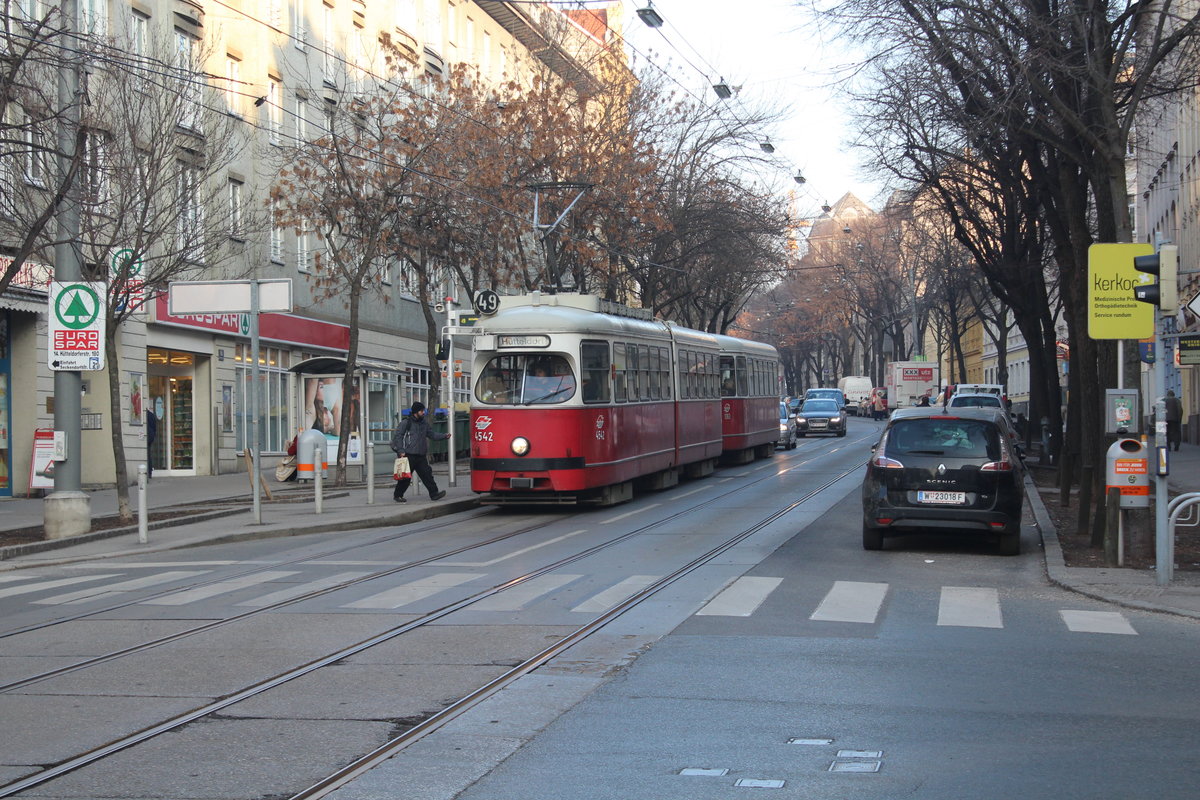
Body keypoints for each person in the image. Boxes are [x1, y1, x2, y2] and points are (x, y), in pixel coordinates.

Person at [390, 401, 450, 503]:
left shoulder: (424, 423)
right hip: (408, 455)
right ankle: (398, 495)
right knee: (405, 478)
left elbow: (432, 434)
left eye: (423, 410)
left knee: (427, 475)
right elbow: (398, 437)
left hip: (421, 455)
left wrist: (444, 436)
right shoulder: (406, 423)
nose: (423, 412)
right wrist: (400, 451)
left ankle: (434, 494)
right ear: (415, 412)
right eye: (421, 411)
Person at [146, 408, 157, 479]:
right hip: (151, 436)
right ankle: (150, 472)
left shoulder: (146, 415)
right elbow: (154, 428)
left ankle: (148, 472)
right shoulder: (151, 415)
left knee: (147, 454)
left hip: (147, 435)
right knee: (149, 454)